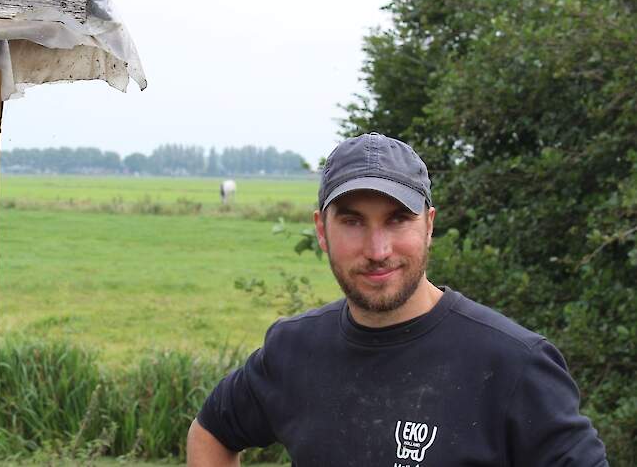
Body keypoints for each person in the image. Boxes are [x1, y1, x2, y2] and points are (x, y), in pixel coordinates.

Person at [186, 133, 608, 466]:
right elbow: (212, 432)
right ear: (321, 230)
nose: (377, 249)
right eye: (352, 221)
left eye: (398, 219)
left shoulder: (514, 365)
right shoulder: (292, 349)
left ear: (428, 225)